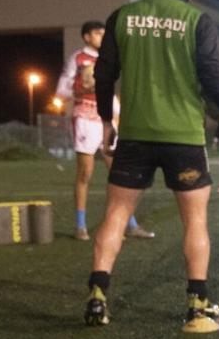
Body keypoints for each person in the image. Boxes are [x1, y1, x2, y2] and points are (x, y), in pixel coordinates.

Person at [86, 0, 219, 333]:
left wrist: (106, 120)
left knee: (116, 215)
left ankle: (97, 296)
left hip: (135, 135)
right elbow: (212, 74)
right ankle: (196, 304)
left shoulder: (122, 17)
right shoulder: (196, 20)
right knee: (195, 219)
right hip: (183, 136)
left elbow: (103, 75)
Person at [56, 21, 154, 241]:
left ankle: (130, 224)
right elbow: (61, 90)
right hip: (85, 117)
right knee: (86, 173)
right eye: (98, 33)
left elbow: (109, 92)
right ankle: (80, 225)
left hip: (107, 120)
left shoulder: (108, 59)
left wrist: (118, 113)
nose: (102, 37)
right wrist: (81, 86)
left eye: (104, 33)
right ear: (87, 37)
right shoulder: (77, 58)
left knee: (119, 173)